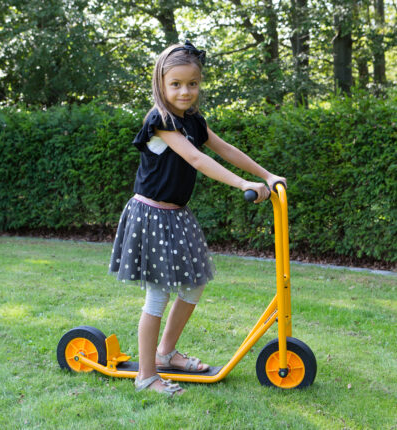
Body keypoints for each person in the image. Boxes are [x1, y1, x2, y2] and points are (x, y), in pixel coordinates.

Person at [109, 40, 286, 396]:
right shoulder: (161, 120)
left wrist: (266, 175)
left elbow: (225, 150)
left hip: (177, 216)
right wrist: (242, 184)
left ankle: (165, 353)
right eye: (175, 84)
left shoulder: (194, 121)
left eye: (192, 83)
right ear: (161, 84)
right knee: (158, 295)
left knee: (193, 285)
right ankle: (146, 376)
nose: (185, 91)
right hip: (151, 216)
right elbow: (196, 159)